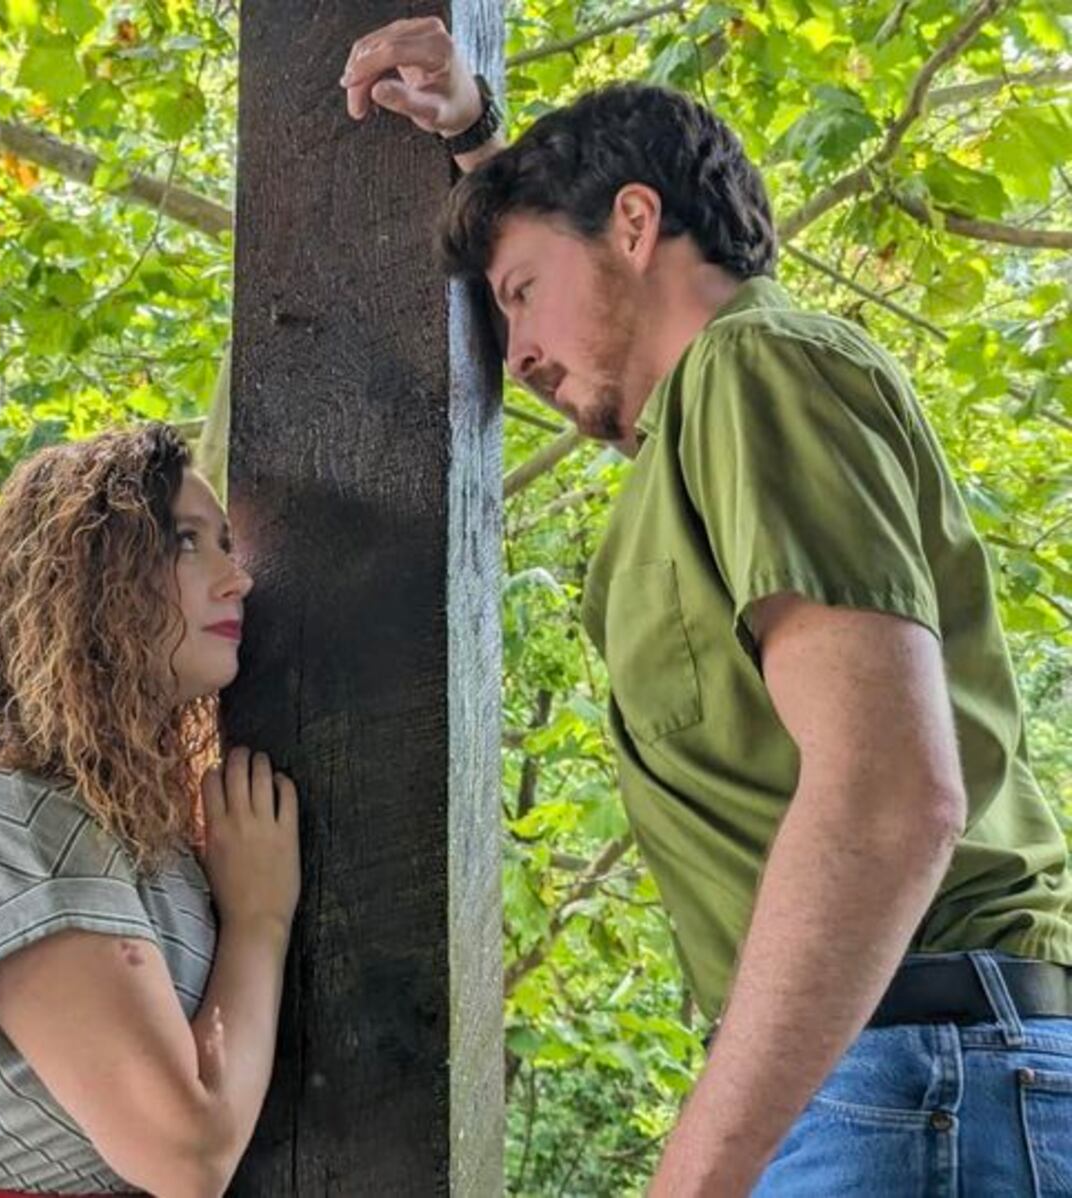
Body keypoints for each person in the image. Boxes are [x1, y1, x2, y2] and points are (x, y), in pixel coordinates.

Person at [342, 18, 1072, 1196]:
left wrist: (695, 1178)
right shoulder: (707, 427)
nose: (513, 353)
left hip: (912, 1079)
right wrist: (482, 145)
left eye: (521, 295)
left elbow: (890, 794)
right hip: (896, 1077)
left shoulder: (751, 368)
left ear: (635, 225)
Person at [0, 423, 300, 1198]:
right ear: (85, 583)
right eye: (184, 544)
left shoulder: (122, 811)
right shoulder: (4, 815)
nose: (235, 578)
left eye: (227, 545)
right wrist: (260, 921)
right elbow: (189, 1156)